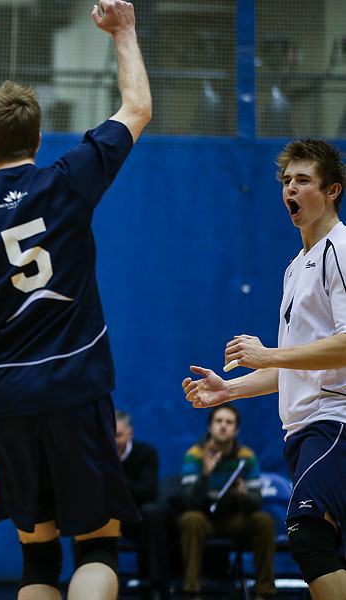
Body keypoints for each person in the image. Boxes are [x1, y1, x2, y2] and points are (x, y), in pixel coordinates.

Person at [0, 1, 151, 598]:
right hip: (76, 388)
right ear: (38, 136)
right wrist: (124, 31)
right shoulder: (70, 176)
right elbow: (137, 108)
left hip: (9, 399)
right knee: (98, 548)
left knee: (38, 564)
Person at [183, 138, 346, 599]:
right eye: (286, 181)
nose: (290, 189)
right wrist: (228, 391)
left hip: (333, 421)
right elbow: (296, 366)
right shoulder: (296, 266)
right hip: (303, 431)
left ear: (332, 190)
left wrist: (270, 353)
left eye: (303, 181)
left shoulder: (341, 249)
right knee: (329, 546)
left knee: (307, 533)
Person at [177, 405, 276, 599]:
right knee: (191, 519)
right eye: (219, 421)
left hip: (233, 519)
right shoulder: (195, 455)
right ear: (210, 426)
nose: (223, 426)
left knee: (264, 521)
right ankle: (191, 592)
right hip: (205, 519)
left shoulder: (246, 457)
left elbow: (257, 502)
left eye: (229, 422)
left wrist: (242, 496)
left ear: (237, 430)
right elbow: (187, 501)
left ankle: (265, 592)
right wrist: (205, 475)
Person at [113, 410, 170, 600]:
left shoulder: (146, 453)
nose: (113, 440)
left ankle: (155, 586)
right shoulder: (97, 455)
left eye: (118, 435)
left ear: (130, 434)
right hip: (109, 517)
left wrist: (114, 476)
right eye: (109, 434)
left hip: (137, 519)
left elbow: (147, 492)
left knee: (153, 513)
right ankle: (86, 580)